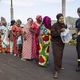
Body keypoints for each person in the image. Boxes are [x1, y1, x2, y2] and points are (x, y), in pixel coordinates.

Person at [51, 13, 67, 79]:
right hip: (55, 43)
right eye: (60, 18)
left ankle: (59, 66)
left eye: (63, 18)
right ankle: (56, 71)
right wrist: (60, 31)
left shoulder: (64, 25)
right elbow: (53, 34)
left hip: (62, 42)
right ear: (57, 19)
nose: (62, 19)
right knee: (56, 56)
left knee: (60, 55)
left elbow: (66, 32)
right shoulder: (54, 25)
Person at [75, 7, 80, 72]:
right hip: (79, 39)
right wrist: (76, 35)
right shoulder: (77, 21)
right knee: (79, 53)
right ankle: (79, 65)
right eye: (79, 12)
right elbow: (76, 29)